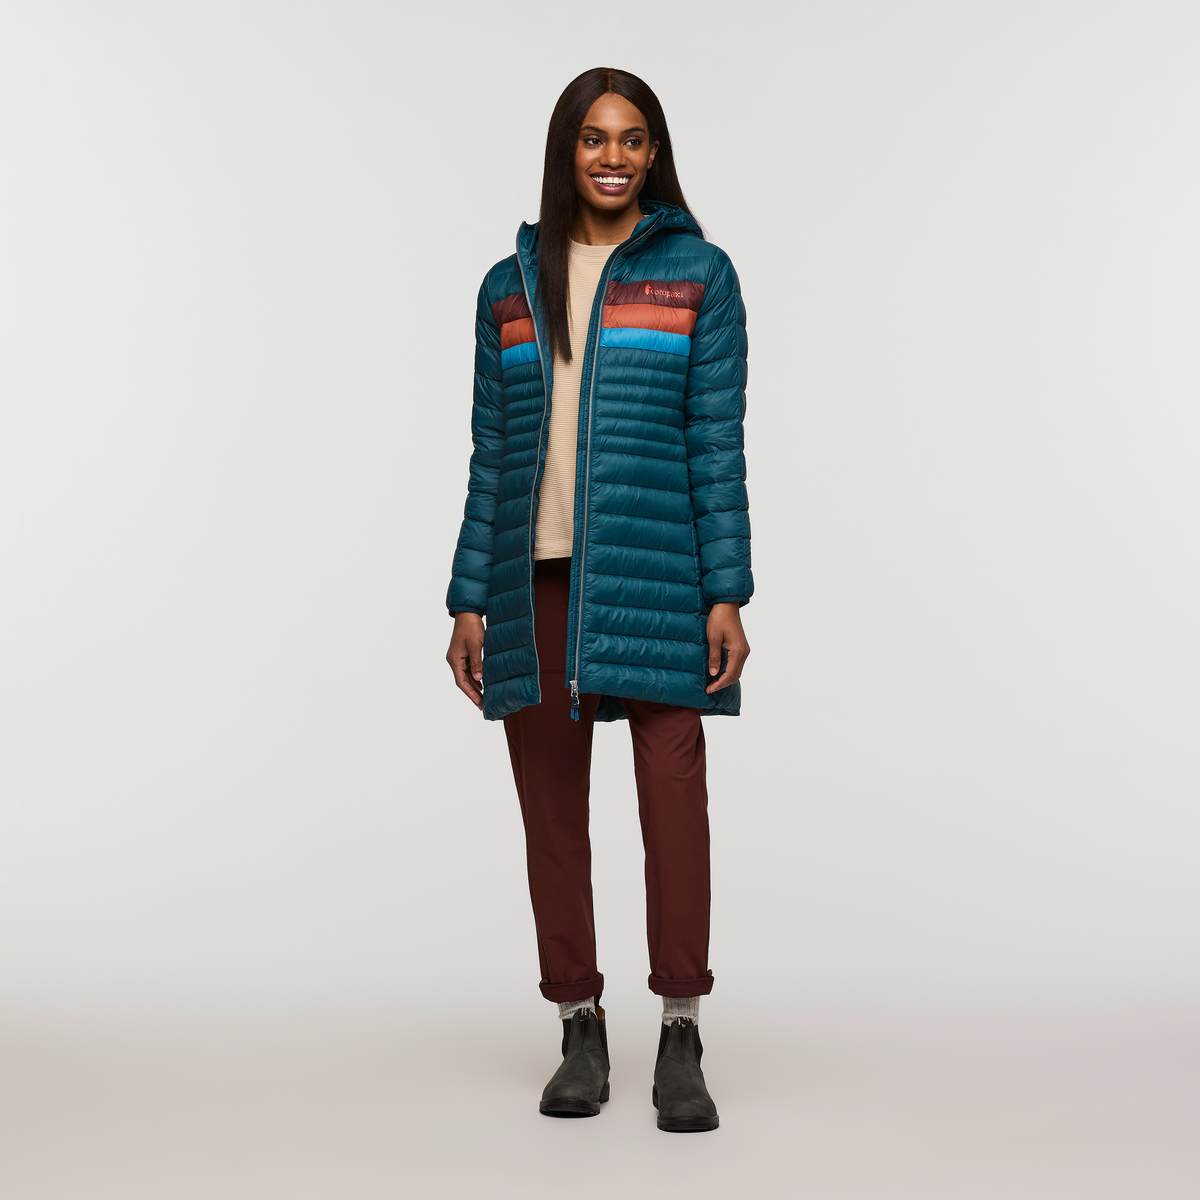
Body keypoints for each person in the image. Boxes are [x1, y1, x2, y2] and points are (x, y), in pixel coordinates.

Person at [445, 67, 752, 1134]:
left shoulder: (698, 275)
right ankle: (579, 1024)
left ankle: (680, 1030)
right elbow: (492, 454)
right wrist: (467, 598)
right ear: (565, 152)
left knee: (673, 806)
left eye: (631, 138)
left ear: (654, 153)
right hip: (533, 577)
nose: (612, 157)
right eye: (592, 138)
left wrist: (728, 590)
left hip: (662, 572)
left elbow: (716, 442)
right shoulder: (509, 287)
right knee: (552, 812)